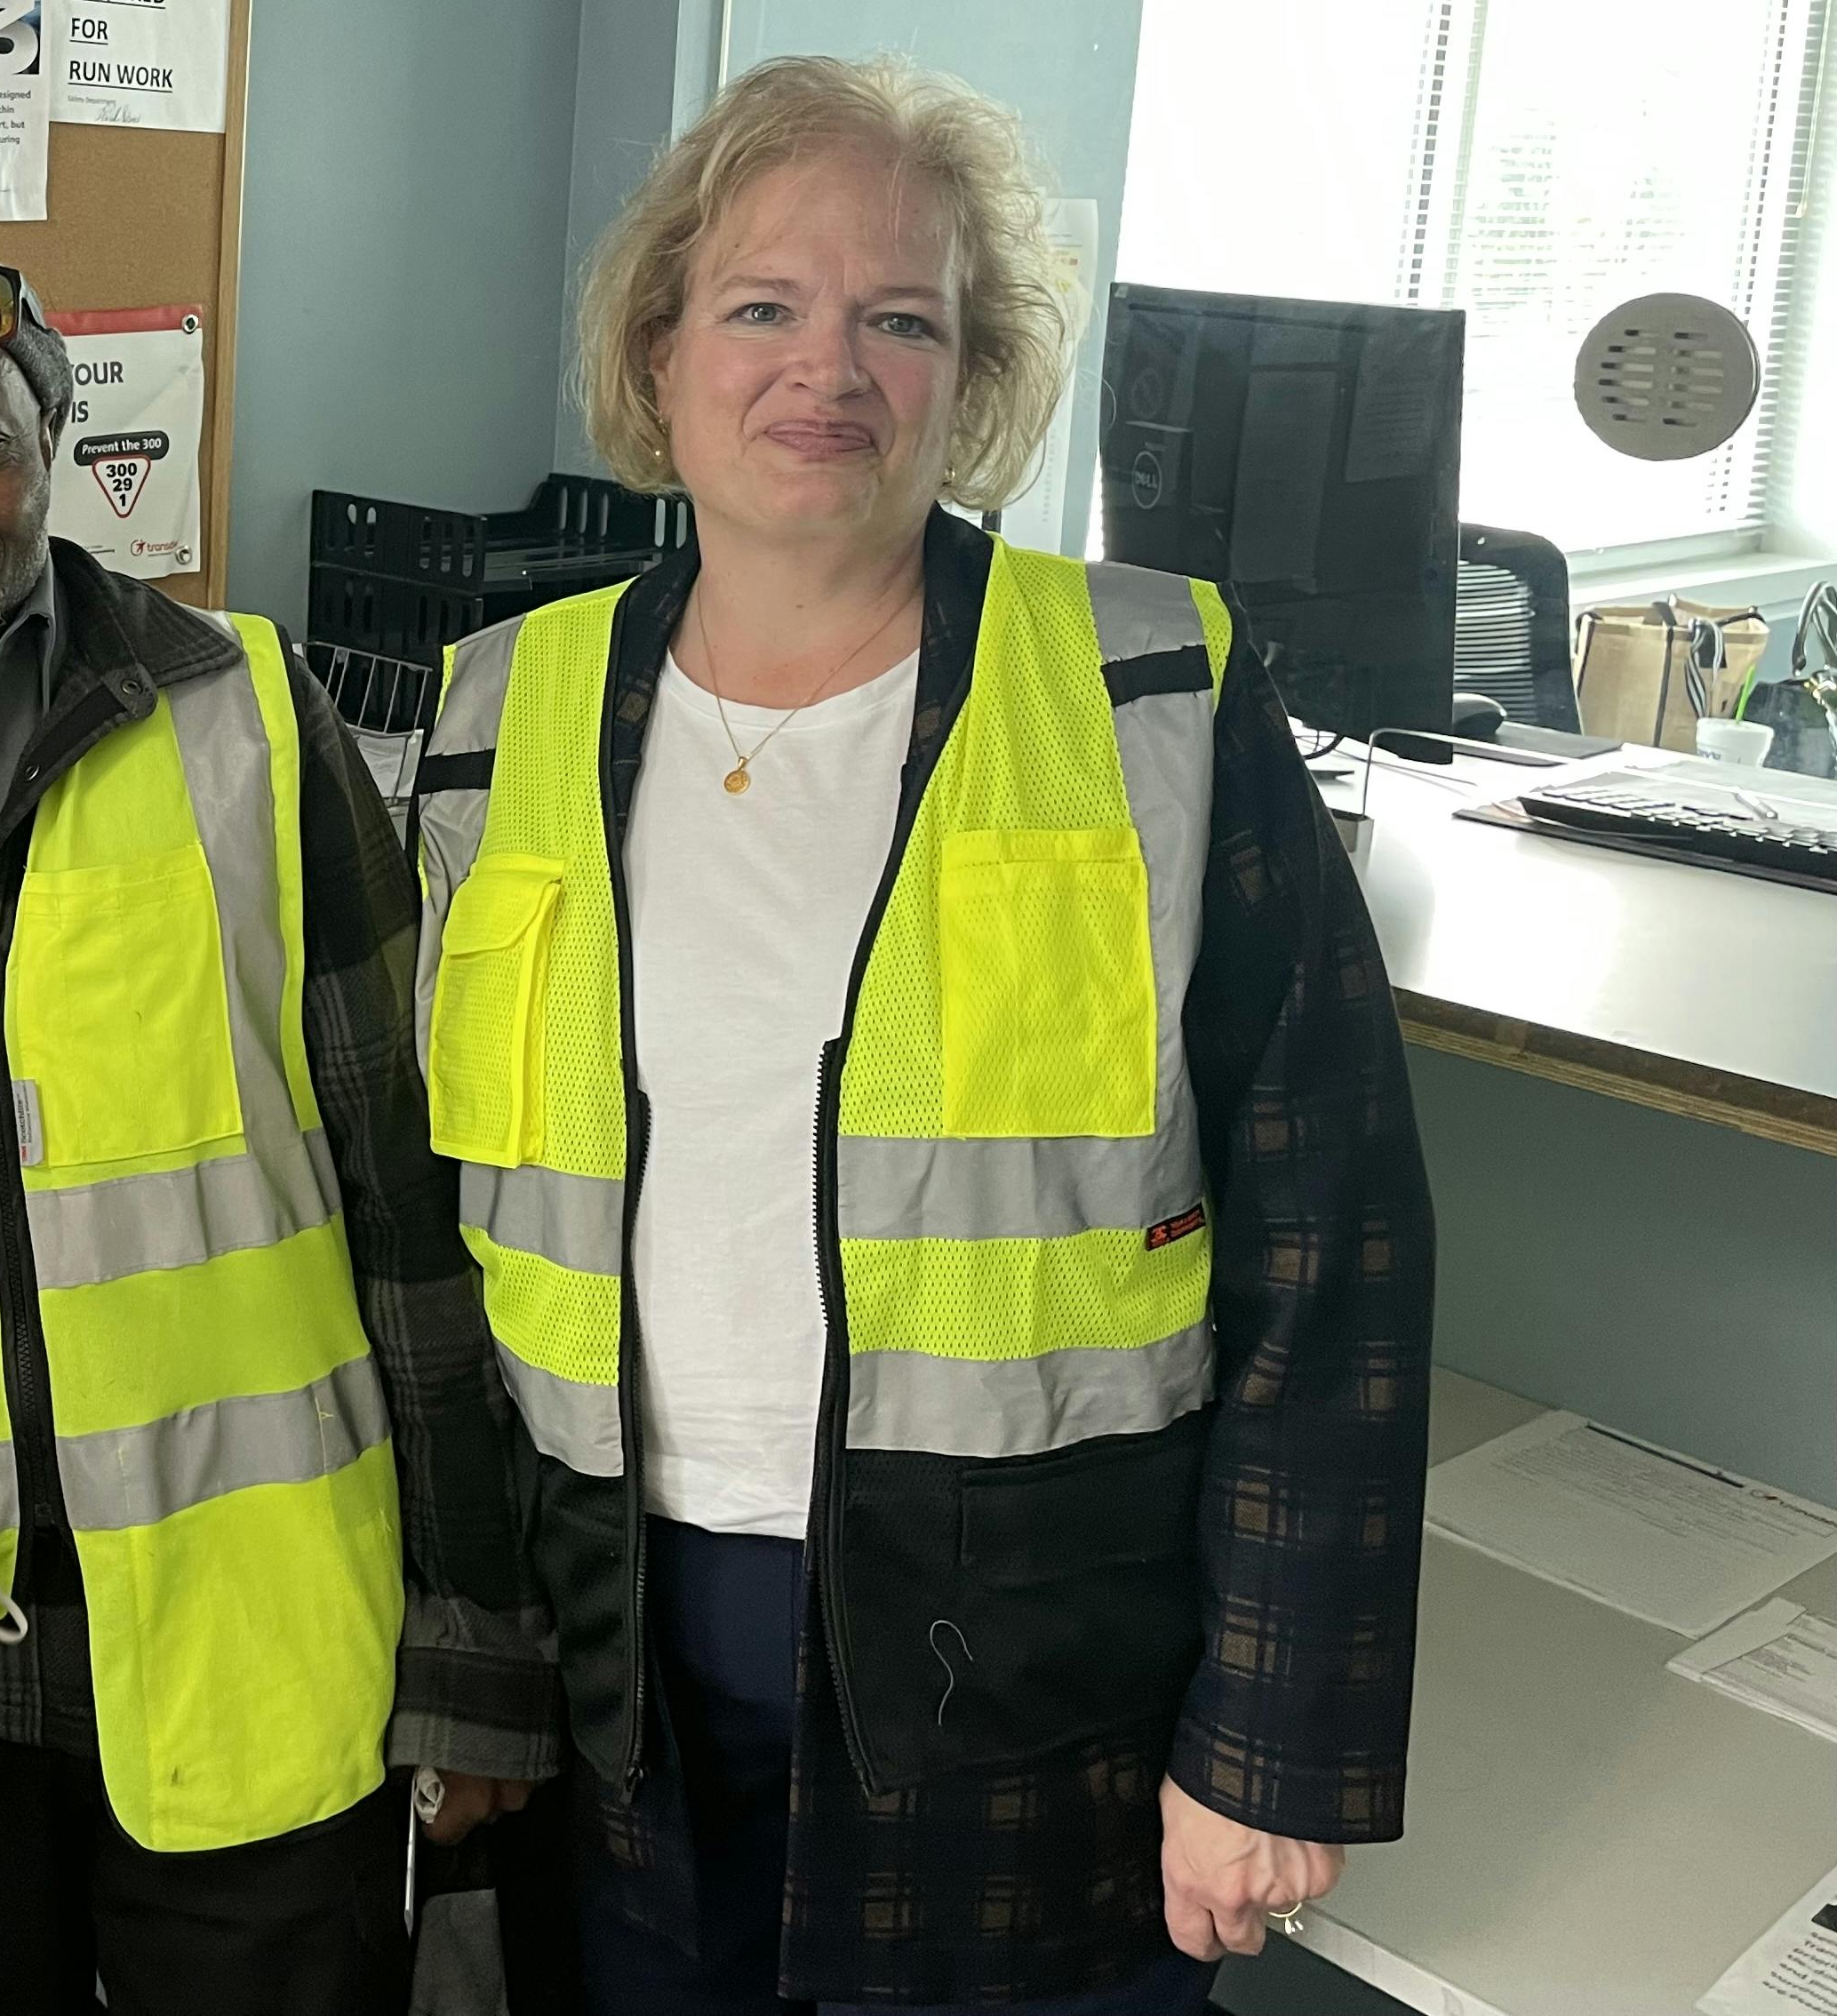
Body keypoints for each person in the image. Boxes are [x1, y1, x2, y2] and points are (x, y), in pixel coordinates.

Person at [411, 54, 1436, 2013]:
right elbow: (441, 1256)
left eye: (903, 318)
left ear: (971, 379)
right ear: (662, 345)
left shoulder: (1157, 696)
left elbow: (1340, 1258)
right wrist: (467, 1654)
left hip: (1034, 1654)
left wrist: (1270, 1742)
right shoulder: (490, 719)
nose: (832, 369)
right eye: (765, 307)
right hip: (613, 1630)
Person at [0, 213, 558, 2016]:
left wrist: (477, 1639)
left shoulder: (251, 728)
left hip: (270, 1652)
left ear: (53, 442)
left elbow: (414, 1215)